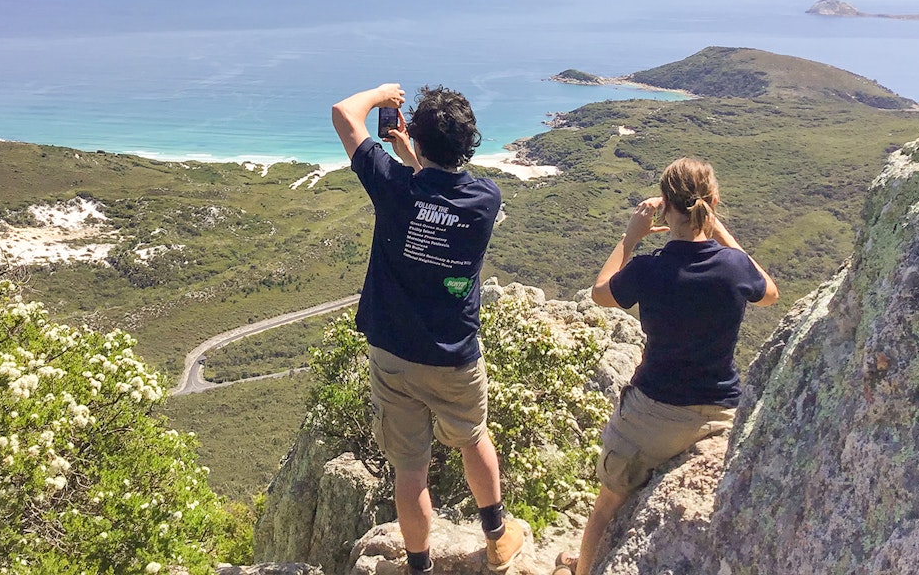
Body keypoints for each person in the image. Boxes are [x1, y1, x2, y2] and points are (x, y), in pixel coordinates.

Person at [331, 83, 526, 573]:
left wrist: (380, 95)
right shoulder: (485, 198)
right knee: (473, 436)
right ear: (468, 144)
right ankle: (498, 537)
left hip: (394, 353)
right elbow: (444, 198)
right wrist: (417, 157)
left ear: (415, 142)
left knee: (411, 468)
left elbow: (343, 113)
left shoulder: (394, 185)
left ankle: (419, 566)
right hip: (455, 354)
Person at [554, 157, 779, 575]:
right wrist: (719, 230)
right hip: (721, 412)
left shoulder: (649, 268)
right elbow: (769, 293)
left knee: (605, 505)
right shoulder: (734, 268)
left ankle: (582, 569)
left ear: (665, 209)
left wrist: (630, 237)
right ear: (711, 203)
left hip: (652, 416)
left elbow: (600, 293)